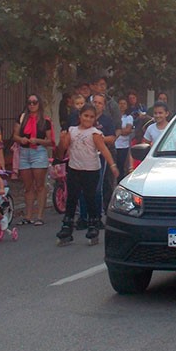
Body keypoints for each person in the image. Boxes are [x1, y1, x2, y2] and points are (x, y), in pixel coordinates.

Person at [55, 104, 117, 246]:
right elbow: (61, 151)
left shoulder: (95, 133)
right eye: (85, 116)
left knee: (90, 197)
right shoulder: (72, 131)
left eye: (91, 116)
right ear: (80, 116)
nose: (88, 119)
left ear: (94, 119)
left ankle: (93, 225)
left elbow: (104, 149)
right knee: (72, 198)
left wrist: (112, 165)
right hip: (74, 168)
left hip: (91, 170)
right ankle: (67, 226)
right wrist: (62, 141)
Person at [11, 94, 54, 226]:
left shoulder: (45, 121)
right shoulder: (22, 118)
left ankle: (39, 215)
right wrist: (21, 139)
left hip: (38, 152)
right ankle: (28, 215)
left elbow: (50, 141)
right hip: (24, 152)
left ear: (39, 104)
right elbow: (15, 136)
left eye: (34, 102)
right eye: (29, 102)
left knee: (40, 185)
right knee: (28, 186)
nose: (32, 105)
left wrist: (38, 140)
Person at [114, 97, 133, 179]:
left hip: (123, 146)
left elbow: (127, 131)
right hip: (113, 145)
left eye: (124, 104)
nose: (122, 105)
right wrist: (122, 130)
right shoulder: (113, 117)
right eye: (120, 103)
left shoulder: (129, 117)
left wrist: (117, 130)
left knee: (121, 167)